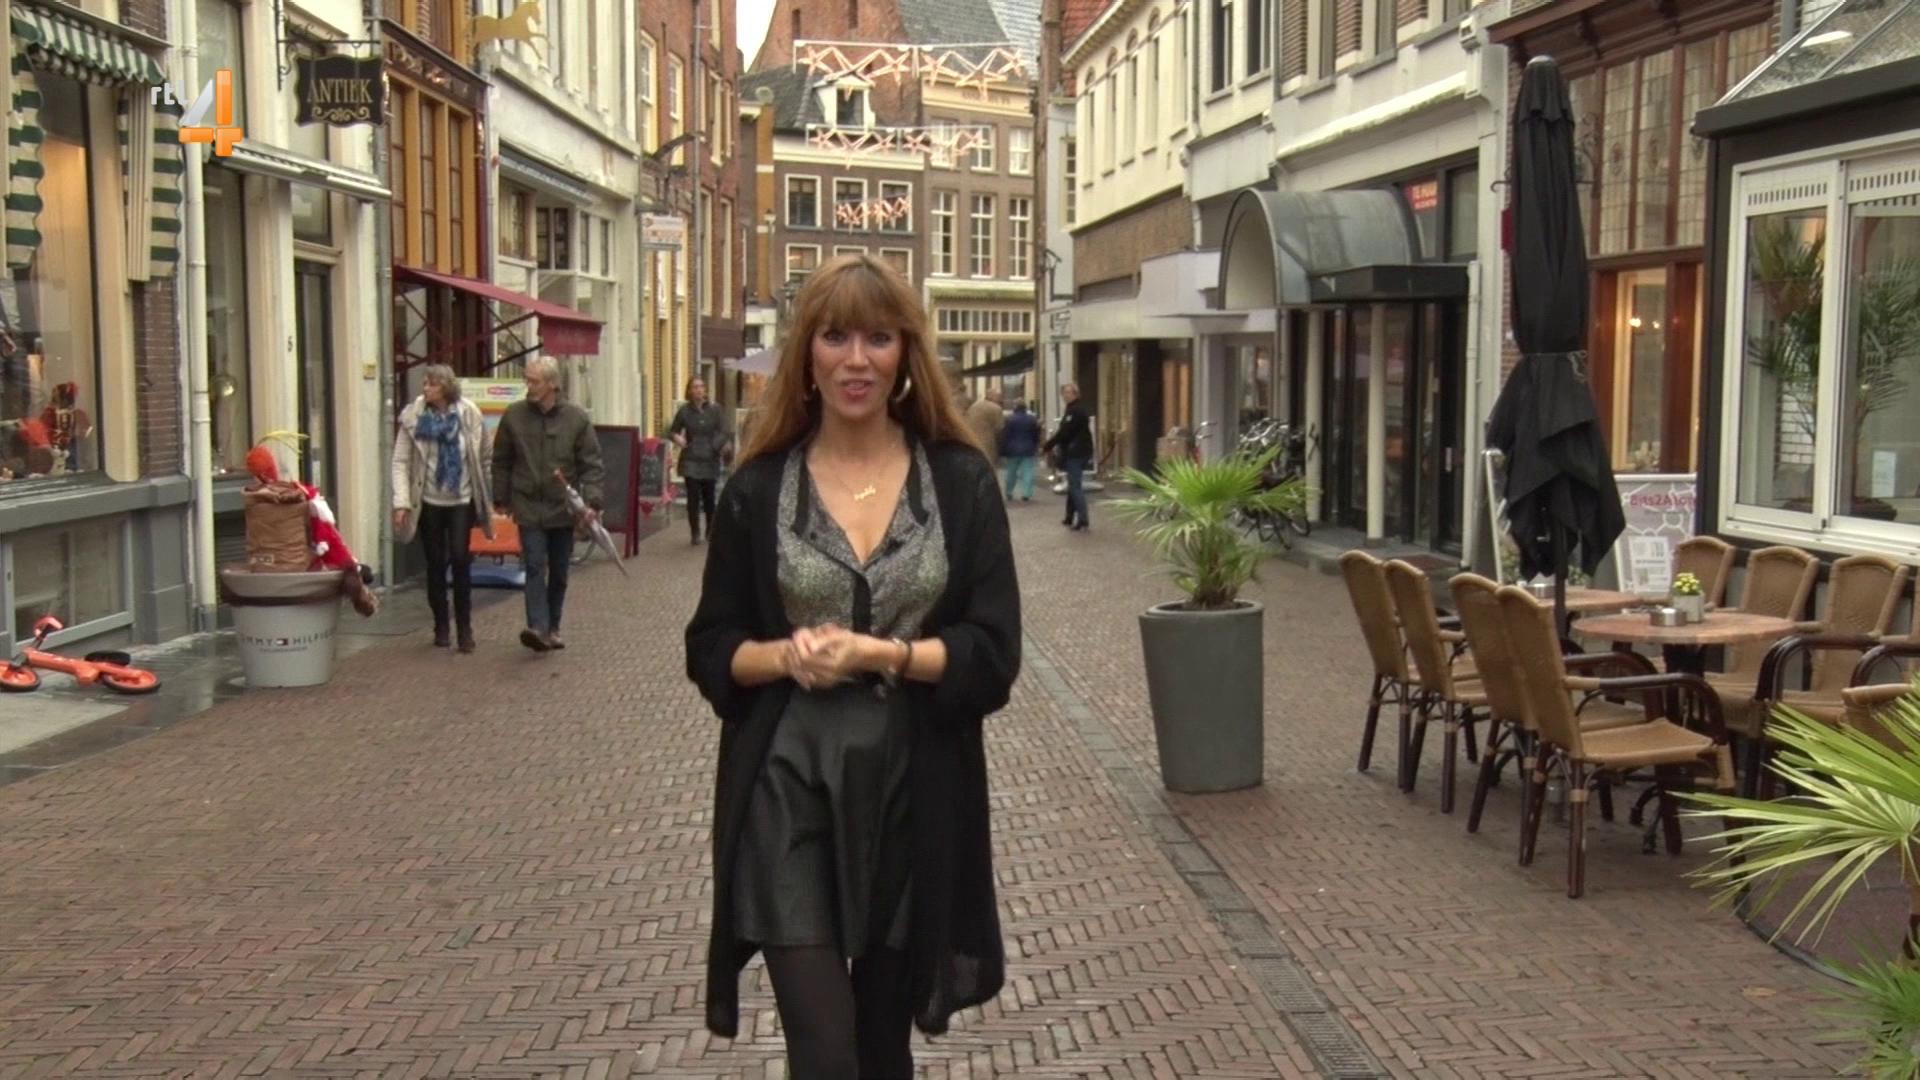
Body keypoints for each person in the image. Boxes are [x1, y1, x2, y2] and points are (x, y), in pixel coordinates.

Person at [684, 253, 1020, 1078]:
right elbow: (711, 646)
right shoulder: (759, 488)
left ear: (906, 352)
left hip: (910, 784)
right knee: (825, 1047)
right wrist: (784, 656)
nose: (856, 360)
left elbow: (994, 653)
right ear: (807, 353)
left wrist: (885, 653)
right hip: (789, 778)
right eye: (836, 337)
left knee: (880, 1046)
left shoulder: (959, 481)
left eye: (878, 338)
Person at [492, 356, 604, 652]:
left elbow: (591, 464)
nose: (528, 386)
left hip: (562, 507)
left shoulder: (576, 419)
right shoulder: (514, 416)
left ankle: (553, 626)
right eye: (527, 380)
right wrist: (500, 497)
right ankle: (538, 627)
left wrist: (592, 501)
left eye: (534, 381)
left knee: (559, 570)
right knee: (533, 564)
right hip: (527, 503)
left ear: (552, 384)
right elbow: (501, 460)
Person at [391, 364, 494, 652]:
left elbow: (484, 455)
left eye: (432, 384)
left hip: (461, 498)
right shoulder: (414, 416)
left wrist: (489, 496)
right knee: (435, 563)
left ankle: (465, 628)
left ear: (447, 387)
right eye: (425, 383)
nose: (426, 388)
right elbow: (400, 461)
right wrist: (401, 502)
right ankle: (441, 625)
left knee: (460, 559)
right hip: (428, 501)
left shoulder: (469, 413)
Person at [669, 376, 730, 545]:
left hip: (710, 459)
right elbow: (673, 430)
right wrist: (677, 438)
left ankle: (710, 530)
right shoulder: (684, 411)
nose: (699, 390)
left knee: (709, 498)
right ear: (689, 391)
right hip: (691, 459)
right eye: (695, 387)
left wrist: (714, 446)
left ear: (705, 390)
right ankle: (695, 532)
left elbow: (724, 431)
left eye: (701, 386)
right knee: (693, 498)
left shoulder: (715, 410)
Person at [1043, 382, 1094, 531]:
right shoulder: (1072, 409)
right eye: (1064, 393)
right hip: (1079, 451)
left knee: (1075, 486)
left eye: (1068, 393)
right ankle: (1069, 516)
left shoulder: (1075, 410)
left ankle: (1083, 519)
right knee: (1072, 484)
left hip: (1076, 452)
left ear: (1075, 394)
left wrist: (1048, 445)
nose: (1065, 396)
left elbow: (1064, 432)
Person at [998, 398, 1041, 502]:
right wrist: (1036, 445)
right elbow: (1035, 434)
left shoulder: (1009, 419)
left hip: (1012, 449)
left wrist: (1002, 450)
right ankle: (1026, 493)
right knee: (1027, 472)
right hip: (1028, 448)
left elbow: (1005, 436)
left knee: (1011, 472)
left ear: (1015, 407)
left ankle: (1009, 492)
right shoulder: (1032, 419)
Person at [965, 386, 1004, 467]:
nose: (1000, 399)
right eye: (999, 396)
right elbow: (999, 429)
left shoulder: (974, 406)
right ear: (993, 396)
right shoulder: (996, 408)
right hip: (988, 443)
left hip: (972, 441)